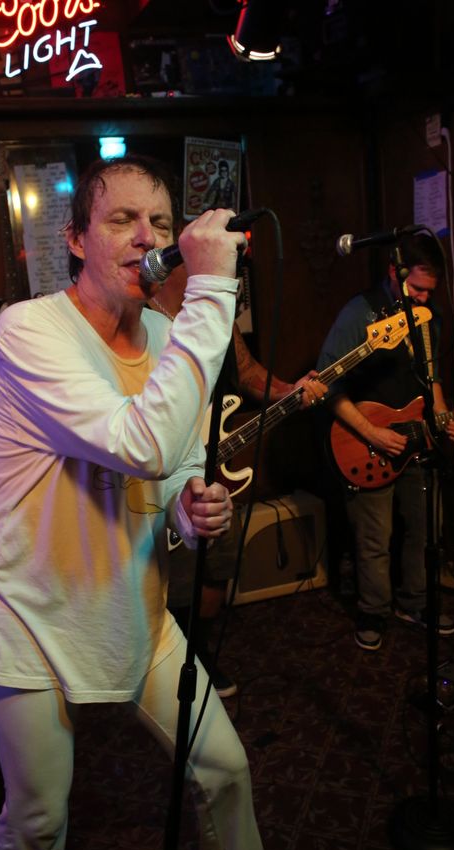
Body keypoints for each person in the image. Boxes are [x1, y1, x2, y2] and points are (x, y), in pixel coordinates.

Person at [0, 154, 280, 850]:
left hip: (129, 601)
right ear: (76, 240)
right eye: (123, 220)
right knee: (39, 819)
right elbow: (138, 443)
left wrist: (188, 506)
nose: (148, 237)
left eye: (162, 223)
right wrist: (213, 288)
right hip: (27, 610)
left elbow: (171, 463)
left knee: (225, 769)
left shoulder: (170, 335)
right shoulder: (30, 330)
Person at [149, 264, 327, 696]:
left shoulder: (215, 304)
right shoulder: (140, 311)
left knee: (218, 566)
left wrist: (288, 389)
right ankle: (172, 662)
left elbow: (246, 372)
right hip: (163, 466)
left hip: (215, 459)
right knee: (176, 577)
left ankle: (200, 651)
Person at [317, 233, 454, 651]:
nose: (423, 297)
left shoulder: (428, 317)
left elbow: (431, 377)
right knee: (374, 537)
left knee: (423, 529)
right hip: (365, 440)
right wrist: (371, 432)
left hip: (415, 439)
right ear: (394, 273)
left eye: (430, 291)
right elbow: (327, 386)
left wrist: (441, 417)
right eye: (416, 287)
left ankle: (415, 602)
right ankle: (373, 612)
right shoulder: (359, 312)